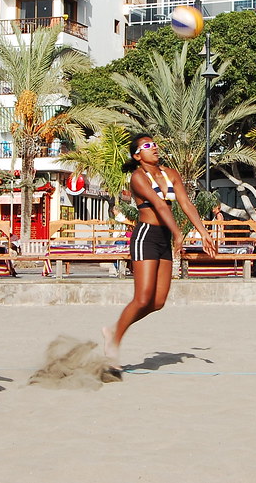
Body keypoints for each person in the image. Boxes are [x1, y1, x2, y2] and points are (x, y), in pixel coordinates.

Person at [103, 134, 215, 372]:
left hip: (164, 238)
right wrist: (178, 233)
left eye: (154, 144)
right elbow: (160, 205)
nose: (153, 147)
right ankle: (114, 338)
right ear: (137, 155)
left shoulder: (171, 173)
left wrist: (203, 231)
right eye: (146, 146)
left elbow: (185, 203)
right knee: (142, 298)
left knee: (158, 302)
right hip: (146, 237)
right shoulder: (137, 177)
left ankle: (116, 328)